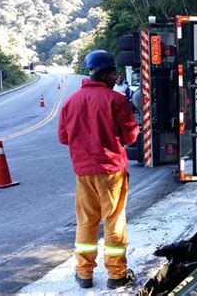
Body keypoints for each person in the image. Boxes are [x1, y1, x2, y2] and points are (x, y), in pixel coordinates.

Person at [58, 50, 140, 290]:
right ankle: (116, 274)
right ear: (103, 73)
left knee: (86, 221)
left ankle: (84, 274)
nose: (116, 77)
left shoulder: (70, 102)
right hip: (111, 170)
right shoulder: (115, 100)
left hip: (83, 172)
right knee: (114, 220)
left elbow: (64, 137)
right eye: (113, 72)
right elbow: (131, 136)